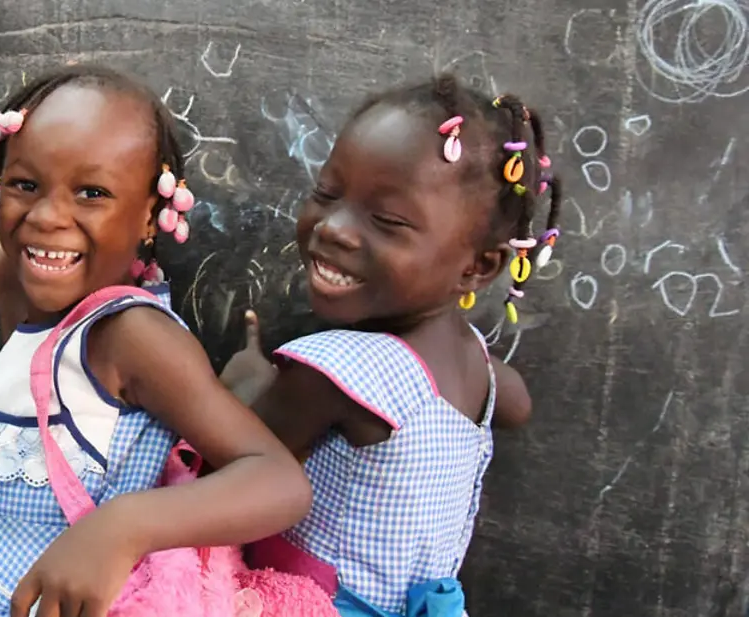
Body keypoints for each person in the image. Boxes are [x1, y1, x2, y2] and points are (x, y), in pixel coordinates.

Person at [0, 65, 312, 617]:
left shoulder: (128, 335)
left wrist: (122, 527)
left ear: (149, 218)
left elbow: (279, 483)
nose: (48, 216)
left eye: (92, 192)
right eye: (25, 184)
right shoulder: (34, 299)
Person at [219, 74, 555, 616]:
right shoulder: (480, 373)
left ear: (478, 266)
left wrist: (242, 387)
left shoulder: (335, 373)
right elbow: (517, 405)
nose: (335, 228)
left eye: (389, 222)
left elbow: (227, 477)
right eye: (327, 194)